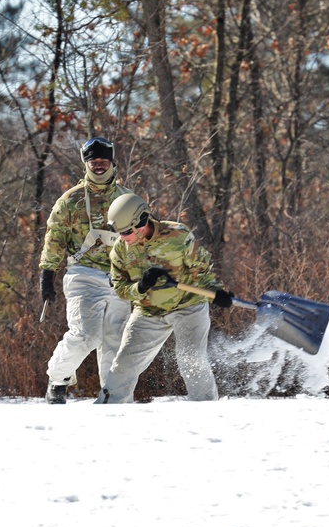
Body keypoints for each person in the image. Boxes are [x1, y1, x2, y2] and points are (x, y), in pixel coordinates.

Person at [98, 194, 233, 404]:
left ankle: (206, 410)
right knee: (124, 364)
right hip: (148, 312)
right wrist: (140, 286)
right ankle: (109, 411)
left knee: (191, 360)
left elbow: (202, 270)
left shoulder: (178, 236)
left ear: (141, 222)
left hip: (188, 305)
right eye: (118, 232)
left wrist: (218, 292)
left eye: (125, 232)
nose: (122, 237)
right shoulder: (120, 251)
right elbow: (121, 289)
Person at [39, 137, 134, 404]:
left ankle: (111, 397)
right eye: (94, 162)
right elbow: (54, 240)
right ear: (86, 164)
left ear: (112, 163)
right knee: (85, 335)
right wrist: (47, 277)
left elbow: (143, 239)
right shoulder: (70, 201)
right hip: (84, 274)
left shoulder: (127, 199)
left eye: (104, 162)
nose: (99, 166)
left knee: (115, 341)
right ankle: (58, 379)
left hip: (120, 278)